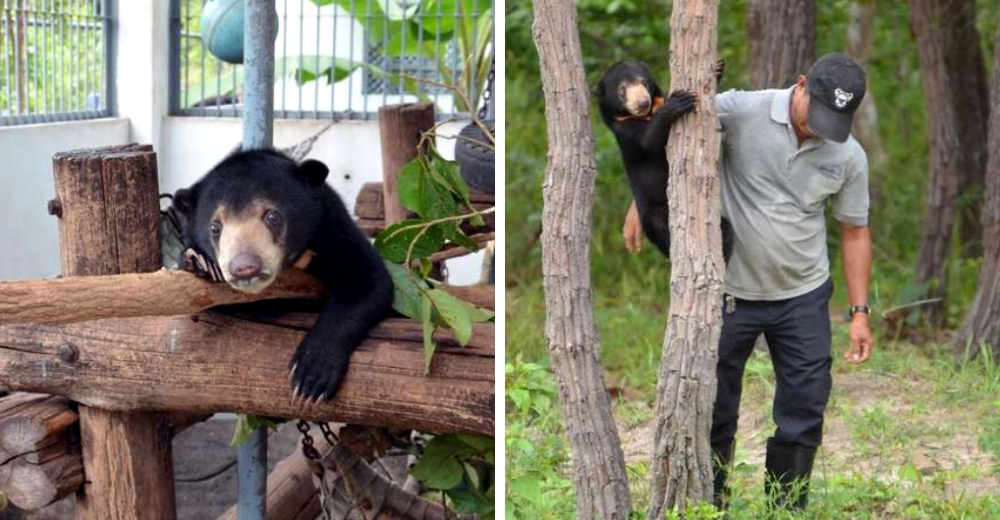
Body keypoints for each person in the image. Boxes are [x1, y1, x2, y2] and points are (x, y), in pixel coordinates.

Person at [622, 53, 873, 511]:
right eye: (817, 114)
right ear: (801, 86)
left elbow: (855, 231)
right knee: (714, 408)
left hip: (802, 295)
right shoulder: (742, 110)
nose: (821, 127)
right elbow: (672, 141)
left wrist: (860, 312)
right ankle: (710, 505)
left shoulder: (848, 155)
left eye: (833, 121)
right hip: (727, 292)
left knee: (806, 406)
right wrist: (642, 202)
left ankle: (785, 507)